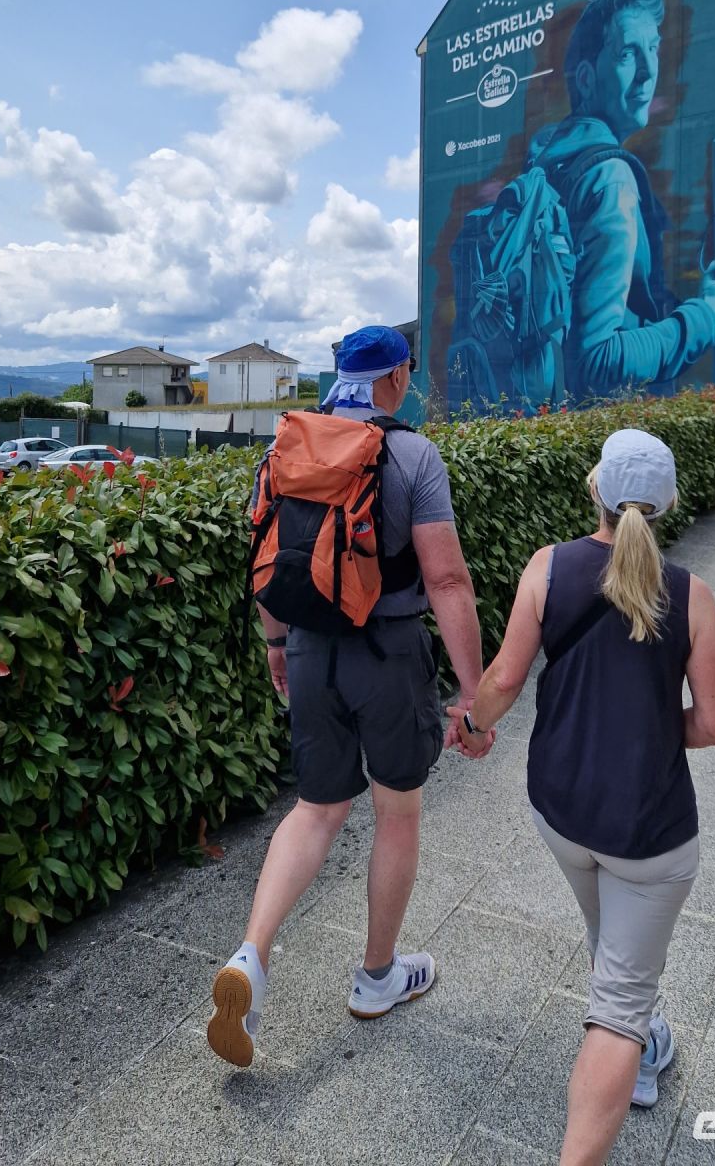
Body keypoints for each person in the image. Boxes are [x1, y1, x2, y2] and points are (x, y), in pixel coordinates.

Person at [447, 429, 715, 1165]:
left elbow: (505, 680)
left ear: (594, 490)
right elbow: (713, 724)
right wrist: (641, 724)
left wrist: (474, 727)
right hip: (652, 832)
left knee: (610, 930)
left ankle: (643, 1031)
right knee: (618, 1008)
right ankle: (633, 1049)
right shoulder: (692, 595)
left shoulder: (547, 568)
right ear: (667, 503)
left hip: (562, 812)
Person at [207, 325, 488, 1067]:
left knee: (316, 809)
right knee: (396, 811)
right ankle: (375, 977)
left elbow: (270, 557)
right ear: (396, 376)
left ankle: (250, 958)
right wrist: (474, 694)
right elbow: (448, 581)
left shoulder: (285, 446)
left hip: (310, 649)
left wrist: (277, 644)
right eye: (409, 373)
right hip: (390, 655)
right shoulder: (411, 453)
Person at [525, 0, 715, 401]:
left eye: (654, 49)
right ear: (589, 79)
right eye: (629, 53)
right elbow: (599, 361)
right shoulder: (609, 177)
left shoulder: (547, 166)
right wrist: (710, 318)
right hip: (599, 433)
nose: (649, 71)